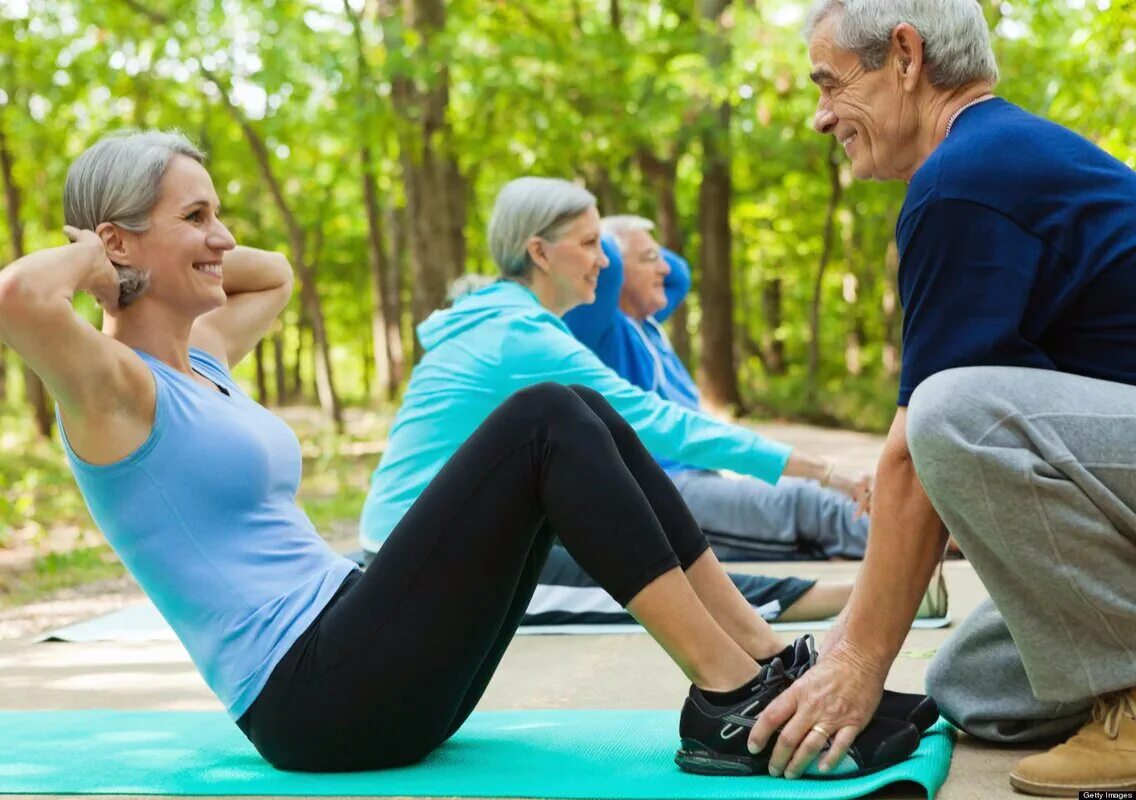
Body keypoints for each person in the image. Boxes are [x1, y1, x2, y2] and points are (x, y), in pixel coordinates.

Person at [0, 130, 923, 777]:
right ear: (114, 240)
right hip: (314, 697)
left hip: (361, 637)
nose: (223, 238)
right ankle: (727, 700)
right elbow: (18, 300)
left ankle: (758, 667)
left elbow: (272, 274)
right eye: (197, 216)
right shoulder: (116, 389)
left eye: (217, 213)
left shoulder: (204, 360)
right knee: (544, 414)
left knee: (579, 409)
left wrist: (167, 252)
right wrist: (109, 261)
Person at [744, 1, 1136, 793]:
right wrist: (839, 649)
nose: (822, 118)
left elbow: (919, 454)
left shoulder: (965, 182)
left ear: (905, 56)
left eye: (829, 85)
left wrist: (857, 660)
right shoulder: (995, 159)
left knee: (952, 411)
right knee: (970, 683)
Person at [360, 177, 873, 625]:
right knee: (656, 591)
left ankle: (860, 598)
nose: (604, 262)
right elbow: (661, 424)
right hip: (426, 568)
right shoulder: (521, 338)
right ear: (539, 253)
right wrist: (825, 471)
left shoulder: (498, 319)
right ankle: (864, 602)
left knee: (631, 526)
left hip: (414, 542)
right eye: (589, 244)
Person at [565, 215, 871, 562]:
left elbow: (679, 272)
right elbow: (611, 255)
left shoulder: (646, 324)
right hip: (662, 490)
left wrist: (641, 243)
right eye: (650, 259)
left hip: (696, 478)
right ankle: (920, 544)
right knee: (806, 502)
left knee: (811, 497)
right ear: (613, 273)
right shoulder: (599, 331)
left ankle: (919, 532)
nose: (665, 268)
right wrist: (603, 227)